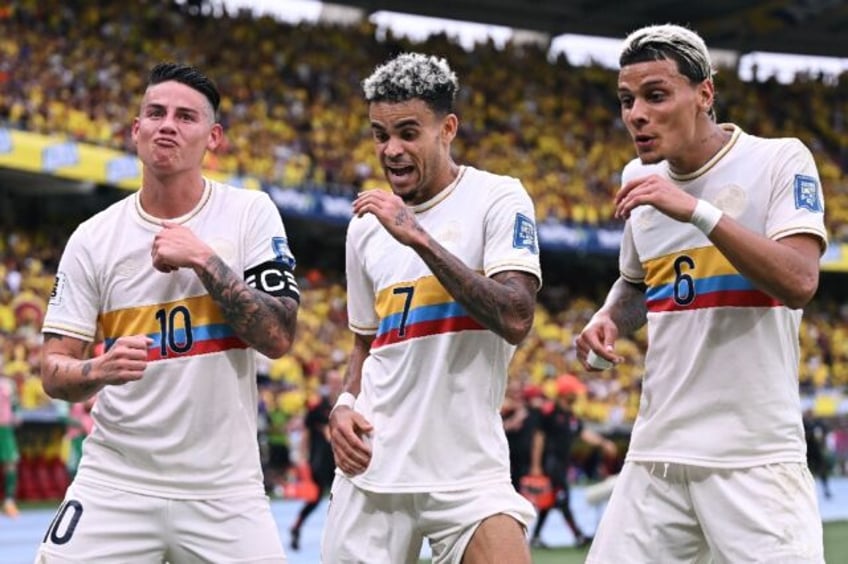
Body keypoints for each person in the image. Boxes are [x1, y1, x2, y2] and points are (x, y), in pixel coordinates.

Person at [575, 24, 827, 563]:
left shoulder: (779, 160)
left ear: (704, 94)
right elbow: (640, 283)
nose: (636, 114)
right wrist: (610, 318)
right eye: (626, 100)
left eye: (655, 95)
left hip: (753, 458)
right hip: (657, 454)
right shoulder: (636, 178)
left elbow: (800, 281)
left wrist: (697, 211)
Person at [38, 62, 299, 563]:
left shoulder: (249, 213)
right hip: (117, 480)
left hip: (224, 488)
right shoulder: (93, 239)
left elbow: (278, 337)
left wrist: (204, 259)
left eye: (185, 116)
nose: (167, 125)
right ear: (136, 130)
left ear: (213, 137)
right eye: (155, 113)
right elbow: (53, 370)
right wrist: (99, 369)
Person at [323, 52, 542, 564]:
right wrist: (343, 405)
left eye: (407, 132)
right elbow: (365, 342)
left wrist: (417, 236)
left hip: (465, 469)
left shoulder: (497, 198)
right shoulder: (363, 227)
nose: (392, 150)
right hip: (373, 465)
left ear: (447, 128)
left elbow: (515, 316)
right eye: (380, 135)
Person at [527, 373, 616, 549]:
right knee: (562, 499)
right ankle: (578, 535)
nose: (577, 396)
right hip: (550, 464)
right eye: (574, 392)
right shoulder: (549, 413)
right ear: (566, 393)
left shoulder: (570, 416)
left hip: (561, 463)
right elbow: (539, 438)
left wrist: (603, 443)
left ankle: (536, 537)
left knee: (551, 501)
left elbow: (583, 433)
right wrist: (536, 466)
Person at [289, 368, 342, 551]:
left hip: (340, 460)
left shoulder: (346, 407)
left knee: (341, 498)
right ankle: (296, 527)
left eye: (338, 381)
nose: (335, 384)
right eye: (332, 381)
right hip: (319, 460)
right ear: (327, 383)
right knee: (315, 498)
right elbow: (306, 432)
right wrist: (301, 457)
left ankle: (338, 538)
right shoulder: (317, 408)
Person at [0, 369, 21, 518]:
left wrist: (16, 415)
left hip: (5, 427)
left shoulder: (8, 384)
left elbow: (15, 404)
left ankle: (9, 502)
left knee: (10, 463)